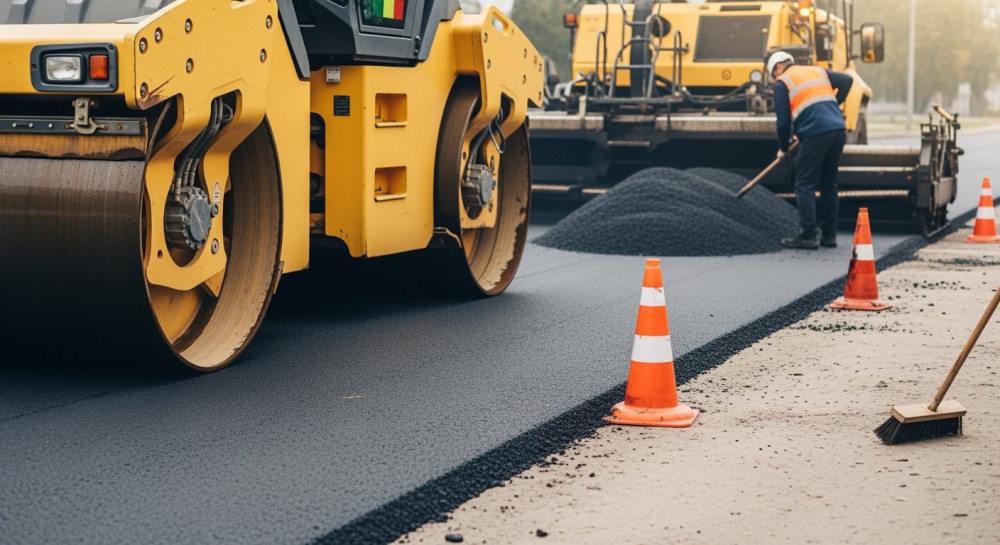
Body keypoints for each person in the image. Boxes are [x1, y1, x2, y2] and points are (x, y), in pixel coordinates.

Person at [767, 51, 854, 249]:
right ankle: (829, 236)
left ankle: (808, 235)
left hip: (816, 132)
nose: (775, 78)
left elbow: (783, 123)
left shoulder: (782, 82)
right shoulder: (817, 71)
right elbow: (847, 80)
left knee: (804, 183)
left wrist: (783, 148)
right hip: (837, 129)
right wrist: (832, 106)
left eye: (773, 74)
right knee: (828, 183)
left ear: (778, 68)